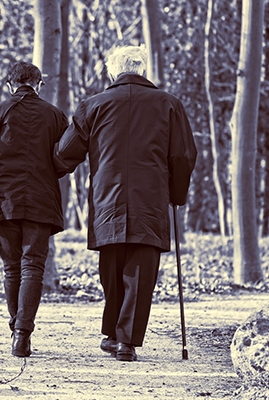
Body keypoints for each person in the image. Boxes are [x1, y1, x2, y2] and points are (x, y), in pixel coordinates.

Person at [53, 45, 197, 362]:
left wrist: (56, 167)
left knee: (112, 267)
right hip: (151, 200)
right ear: (142, 69)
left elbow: (64, 153)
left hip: (108, 199)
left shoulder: (93, 106)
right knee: (141, 271)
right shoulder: (169, 105)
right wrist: (176, 194)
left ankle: (115, 335)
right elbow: (183, 156)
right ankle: (124, 340)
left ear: (113, 71)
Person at [0, 61, 68, 357]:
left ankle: (15, 327)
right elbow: (64, 159)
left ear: (10, 85)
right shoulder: (55, 115)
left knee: (12, 267)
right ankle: (22, 335)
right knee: (33, 265)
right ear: (39, 84)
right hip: (42, 199)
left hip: (3, 199)